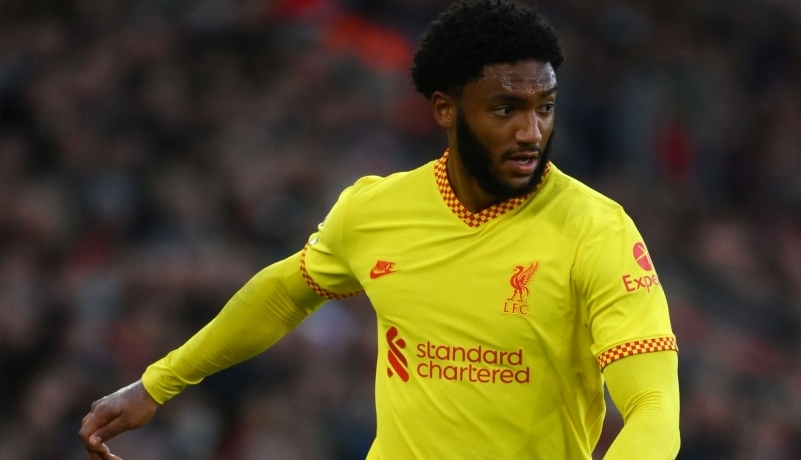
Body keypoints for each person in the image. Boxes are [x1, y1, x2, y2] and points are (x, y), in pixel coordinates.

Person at [78, 0, 681, 458]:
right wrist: (156, 385)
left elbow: (653, 406)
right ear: (445, 109)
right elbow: (284, 292)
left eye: (544, 107)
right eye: (505, 109)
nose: (531, 132)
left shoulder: (597, 231)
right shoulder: (375, 210)